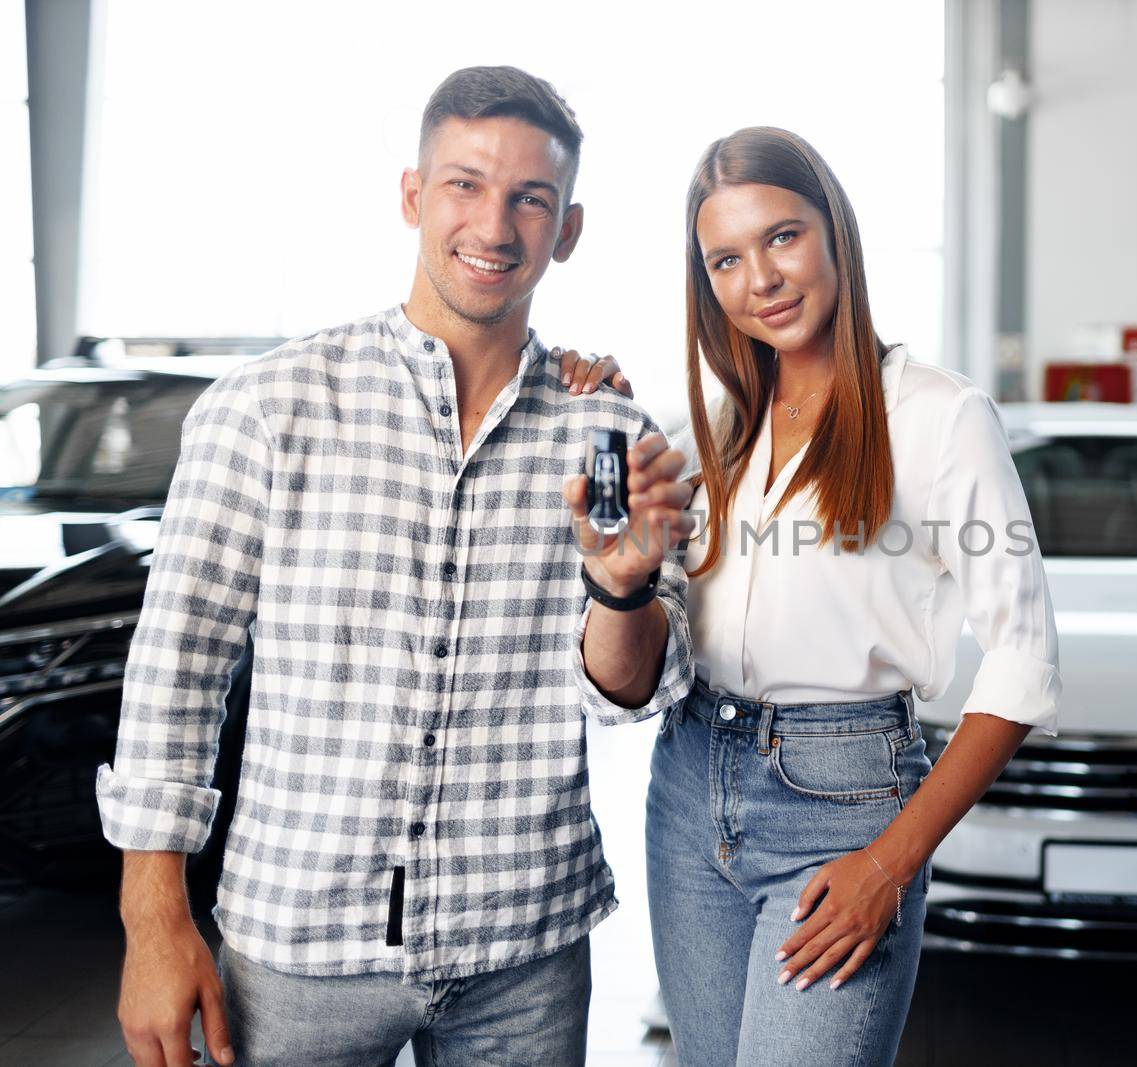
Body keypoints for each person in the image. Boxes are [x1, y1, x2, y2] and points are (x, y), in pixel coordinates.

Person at [97, 66, 692, 1067]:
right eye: (464, 184)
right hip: (297, 947)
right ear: (413, 196)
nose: (494, 226)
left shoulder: (612, 434)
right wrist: (154, 924)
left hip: (526, 950)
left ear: (569, 228)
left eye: (529, 198)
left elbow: (629, 696)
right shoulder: (268, 406)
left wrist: (619, 586)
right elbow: (176, 672)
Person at [638, 127, 1061, 1065]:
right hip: (687, 788)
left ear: (835, 232)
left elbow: (1025, 660)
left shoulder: (940, 418)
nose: (763, 279)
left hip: (842, 798)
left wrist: (889, 862)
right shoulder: (715, 433)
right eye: (727, 259)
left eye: (783, 237)